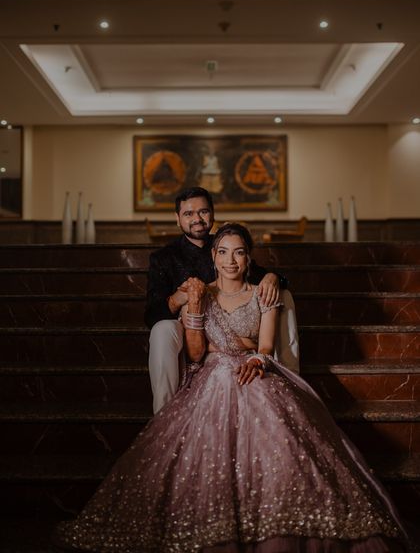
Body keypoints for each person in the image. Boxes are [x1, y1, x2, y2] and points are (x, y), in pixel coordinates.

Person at [54, 223, 409, 553]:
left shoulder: (263, 294)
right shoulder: (200, 292)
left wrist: (257, 358)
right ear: (213, 256)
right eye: (223, 252)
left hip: (252, 370)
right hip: (212, 376)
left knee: (278, 426)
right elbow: (196, 352)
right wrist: (194, 309)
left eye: (238, 252)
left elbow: (266, 346)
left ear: (249, 257)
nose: (230, 260)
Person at [145, 186, 299, 413]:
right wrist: (180, 298)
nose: (197, 219)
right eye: (189, 214)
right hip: (183, 325)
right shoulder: (163, 258)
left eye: (203, 212)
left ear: (212, 214)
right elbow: (152, 315)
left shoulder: (225, 244)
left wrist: (272, 277)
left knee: (282, 295)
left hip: (232, 328)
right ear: (177, 219)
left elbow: (255, 273)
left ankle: (289, 374)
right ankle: (163, 411)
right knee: (161, 330)